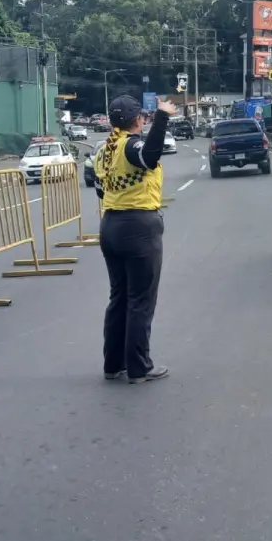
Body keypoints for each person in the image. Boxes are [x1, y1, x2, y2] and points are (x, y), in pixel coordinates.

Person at [93, 95, 177, 384]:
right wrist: (164, 116)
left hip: (111, 224)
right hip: (138, 225)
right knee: (140, 299)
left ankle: (113, 364)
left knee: (119, 297)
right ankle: (139, 366)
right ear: (138, 120)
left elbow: (100, 190)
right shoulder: (131, 145)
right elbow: (150, 155)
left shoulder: (103, 150)